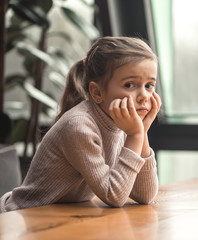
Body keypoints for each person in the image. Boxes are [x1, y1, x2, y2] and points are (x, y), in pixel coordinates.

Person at [0, 36, 161, 212]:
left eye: (149, 85)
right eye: (130, 84)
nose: (144, 96)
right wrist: (136, 135)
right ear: (97, 92)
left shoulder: (124, 124)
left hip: (61, 217)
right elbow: (114, 196)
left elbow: (146, 195)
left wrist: (141, 133)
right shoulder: (79, 127)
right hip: (20, 217)